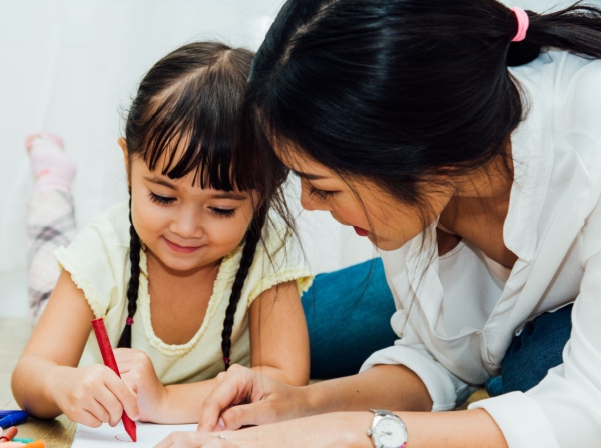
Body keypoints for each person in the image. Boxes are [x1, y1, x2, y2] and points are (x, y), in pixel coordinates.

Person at [158, 1, 601, 447]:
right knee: (284, 324)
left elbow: (585, 408)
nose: (309, 204)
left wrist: (358, 432)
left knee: (534, 364)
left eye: (323, 186)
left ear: (412, 152)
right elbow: (440, 359)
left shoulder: (589, 140)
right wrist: (301, 405)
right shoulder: (425, 189)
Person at [11, 41, 315, 427]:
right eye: (162, 196)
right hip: (87, 294)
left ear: (267, 191)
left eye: (221, 209)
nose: (186, 229)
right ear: (127, 164)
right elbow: (30, 372)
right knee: (45, 273)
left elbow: (285, 381)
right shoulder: (102, 249)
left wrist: (167, 400)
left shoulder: (268, 250)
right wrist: (60, 382)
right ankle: (51, 181)